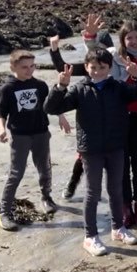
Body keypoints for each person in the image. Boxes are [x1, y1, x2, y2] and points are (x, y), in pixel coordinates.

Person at [44, 48, 137, 256]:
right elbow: (51, 107)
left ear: (110, 68)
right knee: (93, 193)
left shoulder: (119, 87)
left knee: (116, 191)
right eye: (93, 67)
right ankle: (90, 236)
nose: (97, 71)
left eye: (102, 67)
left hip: (115, 147)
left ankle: (118, 228)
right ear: (86, 67)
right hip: (90, 150)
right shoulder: (79, 89)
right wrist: (60, 86)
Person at [84, 15, 137, 230]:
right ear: (122, 41)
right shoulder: (114, 58)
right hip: (118, 121)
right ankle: (125, 208)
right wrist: (91, 36)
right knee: (120, 168)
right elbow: (95, 56)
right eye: (129, 38)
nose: (135, 42)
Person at [48, 28, 114, 200]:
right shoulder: (88, 71)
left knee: (116, 160)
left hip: (112, 120)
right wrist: (54, 49)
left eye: (104, 49)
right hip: (89, 119)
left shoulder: (116, 67)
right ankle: (72, 184)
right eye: (96, 48)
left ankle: (117, 194)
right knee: (82, 158)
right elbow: (61, 67)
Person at [0, 50, 56, 230]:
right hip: (20, 136)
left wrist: (60, 117)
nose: (29, 71)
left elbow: (50, 106)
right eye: (24, 67)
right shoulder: (7, 88)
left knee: (44, 168)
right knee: (16, 173)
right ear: (13, 67)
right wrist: (1, 130)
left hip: (41, 133)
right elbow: (1, 113)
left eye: (32, 66)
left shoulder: (40, 85)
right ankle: (4, 212)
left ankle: (46, 197)